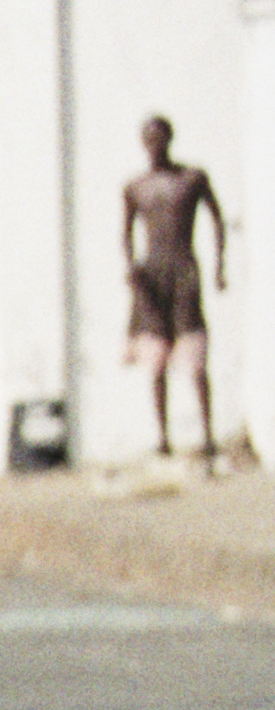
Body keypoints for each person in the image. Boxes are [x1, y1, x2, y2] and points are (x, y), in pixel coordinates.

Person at [123, 115, 229, 463]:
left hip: (184, 269)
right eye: (148, 139)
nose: (154, 145)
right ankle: (163, 437)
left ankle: (208, 435)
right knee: (156, 357)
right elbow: (125, 232)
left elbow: (216, 217)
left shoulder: (191, 179)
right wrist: (131, 270)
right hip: (152, 274)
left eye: (159, 138)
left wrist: (219, 267)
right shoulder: (136, 187)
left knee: (195, 355)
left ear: (169, 139)